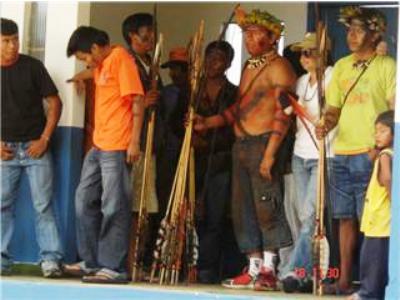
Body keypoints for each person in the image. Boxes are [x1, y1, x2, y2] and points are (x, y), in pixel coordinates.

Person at [194, 8, 296, 291]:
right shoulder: (250, 65)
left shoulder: (280, 68)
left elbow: (283, 113)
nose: (249, 40)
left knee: (267, 205)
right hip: (242, 145)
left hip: (264, 142)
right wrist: (207, 122)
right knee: (242, 209)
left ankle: (268, 269)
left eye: (255, 34)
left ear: (273, 37)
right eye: (246, 34)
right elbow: (240, 108)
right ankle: (251, 267)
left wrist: (270, 153)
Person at [315, 6, 396, 294]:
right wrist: (325, 123)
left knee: (371, 220)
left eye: (359, 30)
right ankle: (345, 279)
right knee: (344, 218)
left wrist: (382, 147)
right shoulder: (341, 66)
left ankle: (373, 282)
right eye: (349, 30)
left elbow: (392, 111)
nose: (351, 35)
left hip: (370, 152)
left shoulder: (387, 66)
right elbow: (335, 110)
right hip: (343, 151)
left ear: (375, 34)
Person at [63, 26, 144, 283]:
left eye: (86, 57)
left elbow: (138, 101)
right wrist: (81, 76)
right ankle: (91, 261)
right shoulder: (102, 64)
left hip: (118, 145)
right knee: (83, 200)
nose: (87, 62)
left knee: (114, 205)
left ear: (96, 48)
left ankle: (113, 267)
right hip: (98, 146)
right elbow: (95, 72)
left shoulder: (121, 59)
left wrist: (134, 142)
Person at [0, 18, 64, 278]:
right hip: (5, 151)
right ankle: (2, 260)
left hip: (35, 147)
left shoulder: (33, 67)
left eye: (15, 39)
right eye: (6, 41)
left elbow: (55, 103)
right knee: (1, 205)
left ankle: (50, 260)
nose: (13, 45)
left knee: (43, 205)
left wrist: (45, 139)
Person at [280, 32, 336, 293]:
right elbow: (289, 111)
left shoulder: (333, 76)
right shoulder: (302, 82)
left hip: (323, 153)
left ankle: (293, 270)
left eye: (309, 52)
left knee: (310, 215)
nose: (304, 58)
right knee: (305, 218)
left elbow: (333, 113)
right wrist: (285, 101)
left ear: (323, 54)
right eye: (302, 53)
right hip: (301, 154)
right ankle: (305, 275)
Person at [193, 41, 244, 284]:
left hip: (222, 162)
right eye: (209, 57)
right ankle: (188, 264)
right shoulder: (192, 90)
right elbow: (173, 124)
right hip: (192, 162)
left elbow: (237, 128)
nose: (212, 63)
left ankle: (208, 268)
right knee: (190, 216)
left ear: (228, 64)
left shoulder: (234, 93)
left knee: (215, 216)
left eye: (219, 59)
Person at [349, 110, 394, 300]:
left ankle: (367, 294)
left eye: (383, 131)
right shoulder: (388, 154)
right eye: (376, 131)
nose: (377, 135)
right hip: (381, 220)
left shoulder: (385, 155)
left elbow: (387, 180)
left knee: (371, 259)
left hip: (379, 220)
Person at [157, 46, 190, 215]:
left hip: (186, 151)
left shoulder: (196, 92)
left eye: (175, 69)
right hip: (168, 150)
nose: (171, 73)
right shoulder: (167, 92)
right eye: (171, 69)